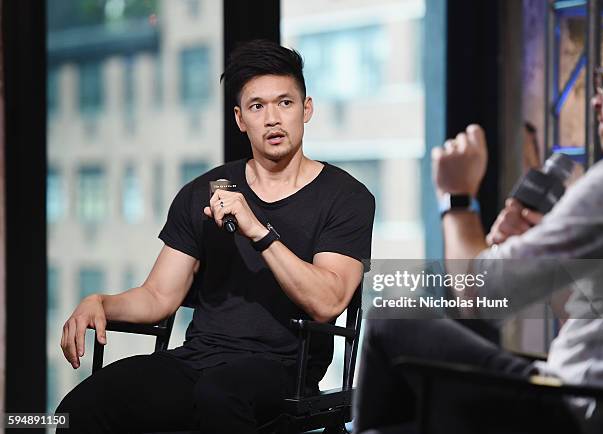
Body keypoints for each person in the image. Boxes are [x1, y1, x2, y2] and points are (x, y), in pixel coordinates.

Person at [56, 39, 375, 434]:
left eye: (285, 103)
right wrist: (100, 302)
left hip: (283, 371)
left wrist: (256, 228)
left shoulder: (345, 197)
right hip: (198, 361)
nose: (272, 118)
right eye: (257, 107)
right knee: (78, 408)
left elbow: (327, 302)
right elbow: (158, 297)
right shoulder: (203, 191)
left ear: (306, 110)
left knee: (220, 396)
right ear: (241, 119)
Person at [354, 66, 603, 434]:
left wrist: (456, 197)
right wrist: (547, 260)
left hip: (570, 411)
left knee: (391, 316)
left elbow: (476, 294)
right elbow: (594, 322)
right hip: (588, 409)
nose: (596, 99)